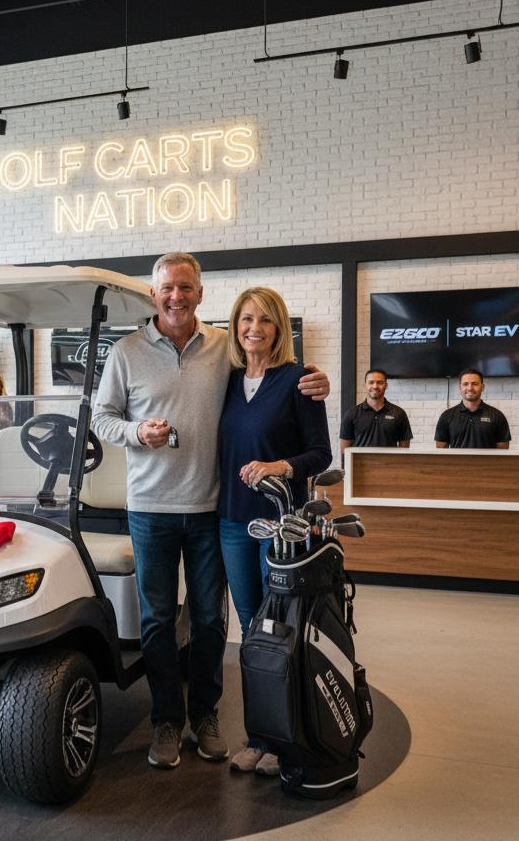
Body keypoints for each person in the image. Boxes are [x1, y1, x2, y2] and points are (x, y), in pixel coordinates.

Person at [91, 253, 329, 771]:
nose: (175, 296)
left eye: (185, 287)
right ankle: (165, 721)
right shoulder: (126, 352)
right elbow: (103, 418)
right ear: (152, 295)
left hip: (210, 509)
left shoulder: (226, 347)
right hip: (150, 509)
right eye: (166, 289)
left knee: (207, 620)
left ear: (200, 294)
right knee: (155, 621)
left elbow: (273, 380)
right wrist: (136, 433)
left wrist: (315, 382)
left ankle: (205, 715)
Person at [217, 286, 332, 777]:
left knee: (281, 631)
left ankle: (289, 739)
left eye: (264, 320)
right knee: (251, 631)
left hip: (281, 529)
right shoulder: (225, 381)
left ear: (279, 328)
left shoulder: (299, 380)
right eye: (245, 319)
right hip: (230, 521)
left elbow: (320, 453)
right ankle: (260, 735)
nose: (253, 329)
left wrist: (279, 466)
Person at [340, 368, 413, 455]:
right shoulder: (351, 414)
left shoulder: (399, 413)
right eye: (371, 382)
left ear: (386, 385)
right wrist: (346, 468)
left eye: (380, 382)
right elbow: (344, 450)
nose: (375, 386)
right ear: (365, 385)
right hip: (360, 467)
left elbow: (404, 449)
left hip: (389, 467)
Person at [434, 368, 510, 449]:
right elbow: (441, 451)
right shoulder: (446, 416)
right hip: (457, 462)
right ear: (460, 387)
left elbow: (503, 452)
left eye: (474, 384)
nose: (470, 388)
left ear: (482, 387)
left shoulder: (497, 415)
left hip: (486, 462)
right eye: (465, 384)